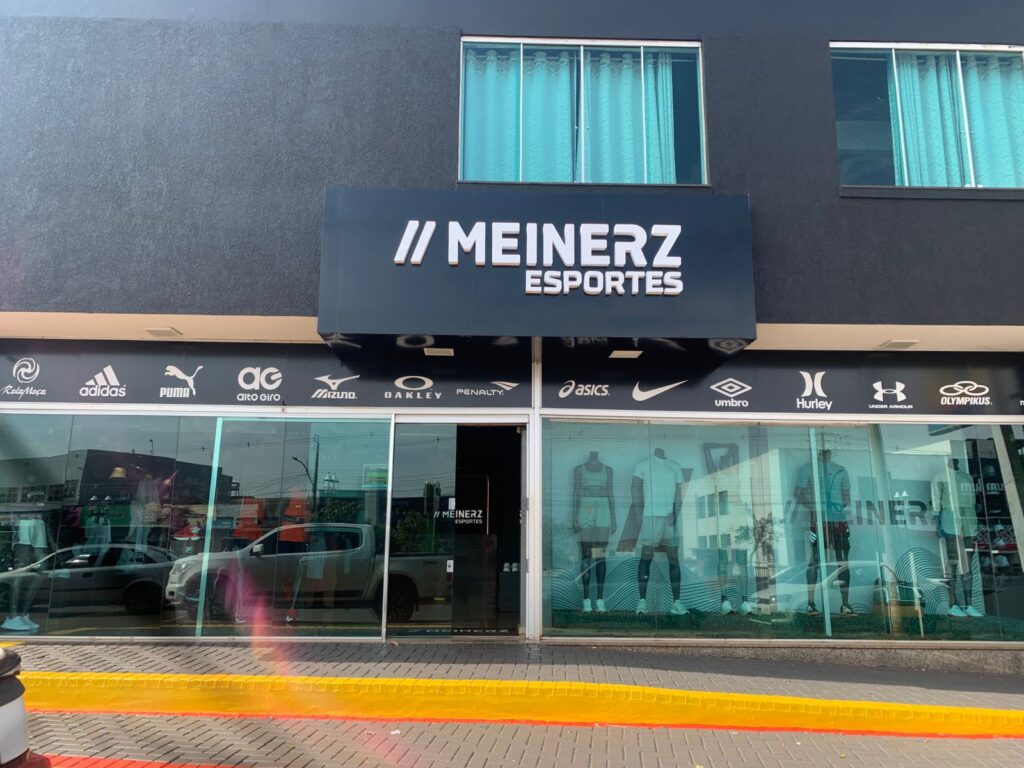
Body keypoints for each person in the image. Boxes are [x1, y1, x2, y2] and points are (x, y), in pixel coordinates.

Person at [630, 449, 690, 616]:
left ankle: (677, 602)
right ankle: (642, 602)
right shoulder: (643, 464)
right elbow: (634, 489)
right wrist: (638, 514)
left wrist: (676, 513)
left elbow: (679, 493)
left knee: (673, 559)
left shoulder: (674, 466)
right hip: (651, 516)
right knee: (646, 557)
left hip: (669, 518)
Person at [794, 449, 853, 616]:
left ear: (831, 452)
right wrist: (814, 508)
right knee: (815, 560)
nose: (824, 454)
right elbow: (798, 493)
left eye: (827, 451)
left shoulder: (841, 469)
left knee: (843, 561)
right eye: (821, 451)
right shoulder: (807, 468)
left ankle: (845, 604)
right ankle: (810, 603)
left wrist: (837, 507)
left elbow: (846, 495)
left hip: (838, 519)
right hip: (819, 520)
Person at [932, 458, 982, 618]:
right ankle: (952, 604)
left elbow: (973, 500)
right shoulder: (940, 477)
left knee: (967, 563)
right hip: (950, 518)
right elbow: (936, 503)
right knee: (953, 563)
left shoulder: (967, 477)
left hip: (968, 518)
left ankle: (969, 604)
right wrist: (937, 524)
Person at [572, 451, 616, 614]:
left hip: (603, 506)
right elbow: (576, 492)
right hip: (586, 505)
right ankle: (586, 600)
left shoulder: (608, 470)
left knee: (600, 554)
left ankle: (600, 599)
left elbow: (610, 492)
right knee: (586, 554)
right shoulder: (579, 469)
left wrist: (614, 517)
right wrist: (574, 516)